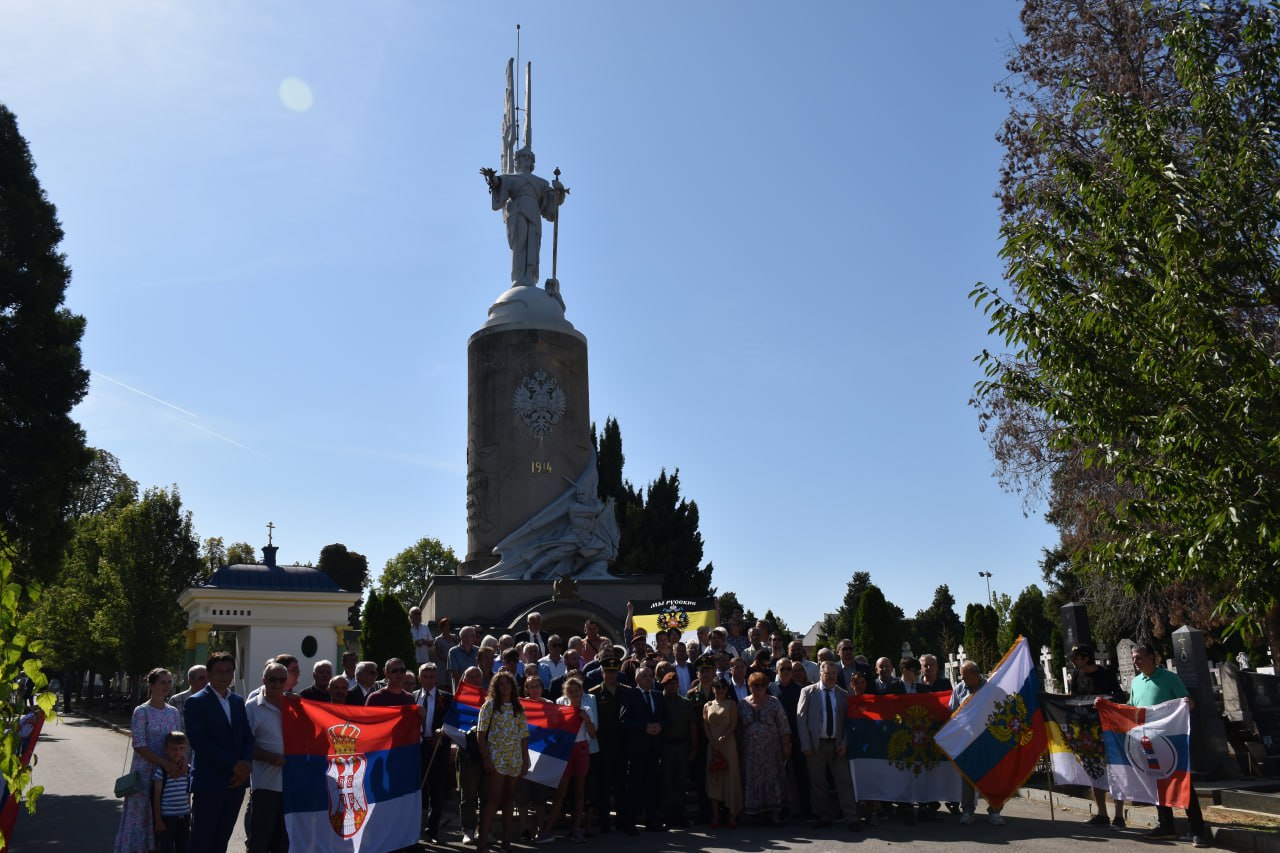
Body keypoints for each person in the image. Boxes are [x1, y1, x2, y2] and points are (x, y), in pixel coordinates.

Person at [1122, 644, 1211, 846]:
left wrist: (1187, 703)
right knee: (1155, 782)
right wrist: (1109, 707)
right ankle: (1166, 826)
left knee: (1182, 783)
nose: (1136, 661)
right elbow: (1132, 707)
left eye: (1139, 657)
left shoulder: (1170, 678)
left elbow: (1188, 702)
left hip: (1170, 741)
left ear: (1152, 657)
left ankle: (1198, 830)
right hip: (1147, 742)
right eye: (1134, 658)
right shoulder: (1136, 682)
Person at [185, 651, 253, 853]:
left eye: (228, 671)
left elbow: (247, 737)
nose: (224, 676)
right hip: (209, 782)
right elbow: (200, 743)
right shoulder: (196, 702)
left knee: (222, 839)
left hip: (236, 783)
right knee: (202, 840)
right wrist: (235, 766)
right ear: (209, 673)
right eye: (219, 671)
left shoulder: (237, 701)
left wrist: (245, 766)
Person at [115, 668, 183, 853]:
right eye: (162, 682)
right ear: (151, 685)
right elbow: (139, 744)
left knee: (163, 816)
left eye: (169, 682)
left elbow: (177, 741)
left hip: (167, 773)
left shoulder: (173, 712)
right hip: (145, 772)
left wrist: (180, 761)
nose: (166, 686)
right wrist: (164, 763)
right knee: (142, 816)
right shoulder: (141, 711)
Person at [482, 146, 566, 288]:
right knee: (519, 243)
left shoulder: (541, 183)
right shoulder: (510, 178)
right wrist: (492, 179)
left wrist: (560, 191)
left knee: (533, 244)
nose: (527, 160)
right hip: (517, 211)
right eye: (523, 157)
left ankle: (530, 278)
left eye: (529, 158)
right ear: (517, 161)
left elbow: (553, 202)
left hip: (533, 212)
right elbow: (499, 183)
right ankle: (519, 278)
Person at [797, 661, 861, 832]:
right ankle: (824, 816)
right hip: (815, 745)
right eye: (828, 673)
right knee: (818, 782)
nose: (832, 676)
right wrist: (806, 745)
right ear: (820, 674)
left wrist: (844, 743)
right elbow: (801, 720)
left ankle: (851, 818)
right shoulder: (808, 692)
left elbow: (849, 722)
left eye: (834, 673)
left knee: (844, 782)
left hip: (837, 745)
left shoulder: (843, 694)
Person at [1068, 644, 1125, 828]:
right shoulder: (1077, 675)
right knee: (1094, 771)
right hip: (1086, 730)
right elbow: (1073, 698)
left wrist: (1104, 701)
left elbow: (1119, 697)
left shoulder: (1105, 675)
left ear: (1086, 658)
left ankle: (1119, 816)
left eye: (1075, 658)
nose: (1073, 661)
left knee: (1115, 771)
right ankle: (1101, 813)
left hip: (1107, 729)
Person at [477, 671, 530, 853]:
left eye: (508, 684)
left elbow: (524, 736)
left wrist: (526, 759)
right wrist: (486, 758)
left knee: (509, 799)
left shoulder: (518, 707)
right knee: (494, 798)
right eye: (501, 684)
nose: (505, 687)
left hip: (515, 758)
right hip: (496, 758)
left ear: (513, 686)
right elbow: (481, 733)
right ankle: (482, 841)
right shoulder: (490, 705)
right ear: (495, 687)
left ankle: (506, 842)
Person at [951, 660, 1004, 825]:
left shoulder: (992, 689)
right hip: (968, 740)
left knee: (992, 776)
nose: (963, 679)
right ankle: (967, 810)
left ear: (976, 674)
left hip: (989, 740)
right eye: (962, 676)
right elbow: (952, 711)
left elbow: (1003, 710)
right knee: (967, 777)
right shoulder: (960, 689)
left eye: (965, 676)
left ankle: (995, 811)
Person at [546, 675, 596, 843]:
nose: (574, 694)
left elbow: (593, 734)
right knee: (561, 792)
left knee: (580, 792)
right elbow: (555, 731)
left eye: (576, 691)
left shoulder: (587, 709)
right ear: (566, 693)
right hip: (566, 752)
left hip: (581, 750)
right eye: (571, 691)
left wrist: (586, 719)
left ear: (581, 692)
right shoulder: (561, 708)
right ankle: (547, 830)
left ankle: (576, 829)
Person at [244, 663, 288, 853]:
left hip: (291, 786)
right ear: (264, 680)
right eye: (272, 679)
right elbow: (245, 745)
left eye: (281, 680)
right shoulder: (252, 707)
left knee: (284, 842)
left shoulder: (295, 706)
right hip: (265, 785)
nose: (277, 684)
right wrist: (269, 757)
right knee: (260, 841)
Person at [741, 671, 791, 824]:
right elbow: (737, 729)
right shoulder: (742, 704)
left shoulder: (774, 702)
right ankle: (756, 814)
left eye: (762, 685)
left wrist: (786, 749)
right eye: (755, 685)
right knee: (752, 781)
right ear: (749, 687)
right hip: (750, 753)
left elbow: (784, 727)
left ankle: (774, 813)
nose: (759, 688)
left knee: (772, 781)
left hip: (771, 752)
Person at [620, 665, 665, 833]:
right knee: (635, 786)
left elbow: (666, 718)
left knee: (652, 785)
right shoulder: (630, 695)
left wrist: (660, 726)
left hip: (654, 748)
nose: (648, 678)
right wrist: (644, 727)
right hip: (637, 748)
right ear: (637, 679)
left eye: (650, 675)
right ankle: (629, 823)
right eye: (644, 675)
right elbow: (624, 719)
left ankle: (652, 821)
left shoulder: (658, 696)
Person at [415, 662, 453, 844]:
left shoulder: (446, 698)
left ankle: (432, 830)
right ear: (419, 678)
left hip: (438, 747)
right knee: (418, 789)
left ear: (436, 678)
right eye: (425, 676)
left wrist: (442, 732)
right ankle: (416, 828)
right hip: (419, 749)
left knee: (437, 790)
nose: (429, 680)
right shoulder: (413, 697)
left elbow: (452, 721)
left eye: (432, 677)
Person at [770, 657, 810, 820]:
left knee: (802, 774)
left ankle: (805, 810)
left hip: (798, 737)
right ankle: (782, 810)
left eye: (789, 669)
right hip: (777, 739)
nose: (786, 672)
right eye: (783, 669)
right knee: (780, 776)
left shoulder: (801, 690)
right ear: (777, 671)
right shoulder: (770, 689)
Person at [702, 677, 742, 828]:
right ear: (713, 689)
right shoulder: (707, 705)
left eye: (722, 687)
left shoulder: (732, 704)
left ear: (726, 689)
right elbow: (705, 725)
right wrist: (712, 741)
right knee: (714, 780)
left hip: (728, 744)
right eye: (716, 687)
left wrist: (722, 738)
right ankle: (715, 817)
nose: (719, 690)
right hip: (712, 746)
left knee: (730, 778)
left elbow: (733, 724)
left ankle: (732, 816)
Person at [659, 671, 695, 827]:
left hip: (681, 746)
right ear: (664, 685)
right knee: (667, 783)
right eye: (669, 684)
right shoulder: (659, 701)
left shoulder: (685, 703)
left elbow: (692, 726)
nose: (673, 686)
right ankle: (667, 817)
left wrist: (694, 748)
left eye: (675, 683)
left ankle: (680, 815)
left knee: (680, 783)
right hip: (666, 747)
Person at [457, 666, 488, 846]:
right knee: (467, 795)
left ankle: (485, 829)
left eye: (478, 676)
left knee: (487, 795)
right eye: (471, 676)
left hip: (488, 753)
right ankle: (468, 830)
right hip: (467, 754)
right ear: (464, 679)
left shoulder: (489, 698)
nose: (475, 679)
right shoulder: (458, 699)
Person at [151, 731, 191, 853]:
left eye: (181, 748)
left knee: (183, 848)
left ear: (186, 749)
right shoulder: (162, 770)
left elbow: (188, 793)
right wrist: (158, 819)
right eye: (174, 749)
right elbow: (156, 796)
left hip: (184, 816)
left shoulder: (187, 769)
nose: (178, 752)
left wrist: (189, 812)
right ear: (166, 750)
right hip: (167, 818)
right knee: (166, 848)